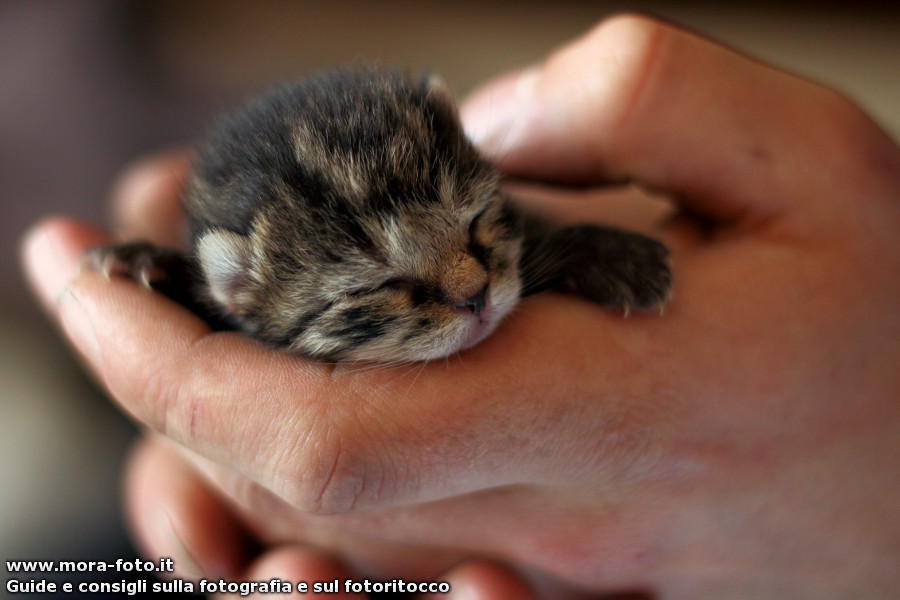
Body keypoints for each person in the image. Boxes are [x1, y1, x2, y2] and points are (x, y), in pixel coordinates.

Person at [22, 14, 900, 599]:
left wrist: (581, 251)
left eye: (478, 224)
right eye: (383, 285)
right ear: (239, 291)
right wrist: (164, 286)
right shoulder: (228, 299)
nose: (472, 283)